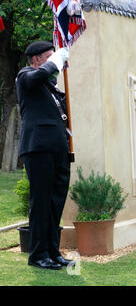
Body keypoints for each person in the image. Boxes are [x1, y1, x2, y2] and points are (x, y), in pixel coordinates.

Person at [16, 41, 72, 270]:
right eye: (50, 57)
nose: (56, 62)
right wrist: (55, 62)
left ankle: (52, 251)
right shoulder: (25, 76)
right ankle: (38, 254)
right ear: (37, 59)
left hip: (58, 150)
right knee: (41, 203)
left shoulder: (50, 86)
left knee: (55, 202)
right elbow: (33, 79)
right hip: (38, 149)